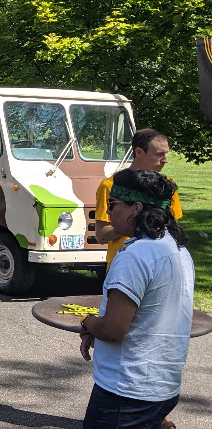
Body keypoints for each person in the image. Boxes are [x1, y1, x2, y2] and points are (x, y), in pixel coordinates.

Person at [79, 169, 193, 429]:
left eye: (113, 205)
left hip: (126, 392)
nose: (107, 214)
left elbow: (111, 330)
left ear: (136, 208)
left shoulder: (135, 255)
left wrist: (88, 322)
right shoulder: (176, 247)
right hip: (163, 387)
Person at [95, 128, 182, 268]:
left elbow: (173, 228)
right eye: (159, 154)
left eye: (166, 154)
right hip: (122, 265)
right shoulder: (111, 185)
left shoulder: (166, 186)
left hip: (158, 263)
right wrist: (136, 223)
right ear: (139, 152)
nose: (165, 160)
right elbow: (101, 235)